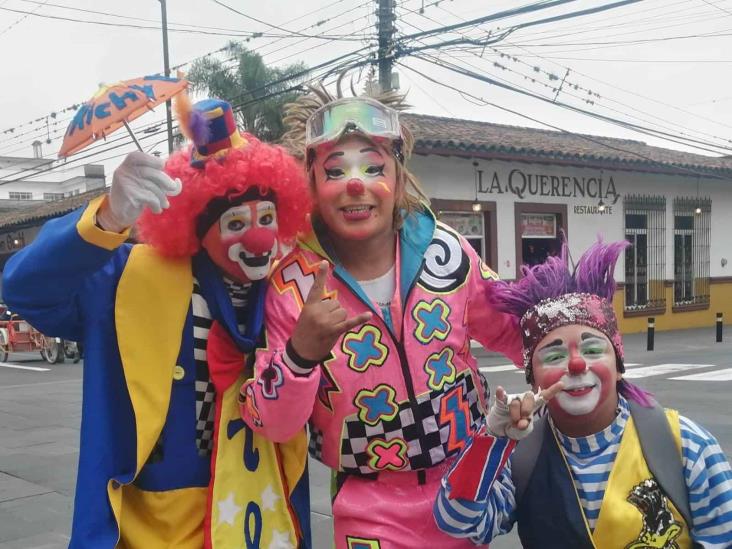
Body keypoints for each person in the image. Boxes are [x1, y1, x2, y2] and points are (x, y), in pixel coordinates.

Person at [2, 97, 312, 548]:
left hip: (257, 511)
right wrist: (107, 217)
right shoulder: (129, 277)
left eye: (267, 218)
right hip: (153, 525)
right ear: (199, 227)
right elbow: (25, 289)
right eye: (236, 222)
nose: (259, 236)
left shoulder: (288, 290)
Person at [237, 86, 523, 548]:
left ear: (399, 174)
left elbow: (516, 328)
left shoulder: (445, 251)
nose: (357, 184)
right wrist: (299, 356)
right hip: (368, 509)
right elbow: (273, 422)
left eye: (374, 168)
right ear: (310, 181)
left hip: (465, 490)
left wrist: (576, 344)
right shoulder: (291, 283)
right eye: (335, 171)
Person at [434, 239, 732, 548]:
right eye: (553, 357)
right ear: (533, 380)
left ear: (618, 367)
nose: (576, 364)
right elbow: (457, 523)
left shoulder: (687, 446)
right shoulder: (521, 459)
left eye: (592, 349)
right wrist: (491, 440)